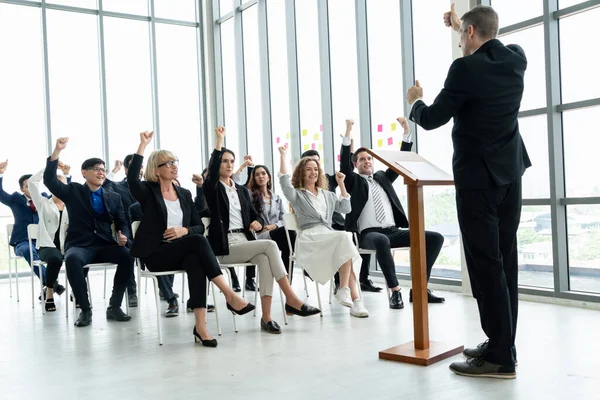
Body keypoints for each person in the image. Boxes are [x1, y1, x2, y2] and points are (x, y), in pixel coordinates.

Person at [407, 4, 530, 378]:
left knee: (484, 263)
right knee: (504, 261)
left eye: (463, 35)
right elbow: (492, 43)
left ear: (472, 33)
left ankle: (499, 359)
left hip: (477, 182)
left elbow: (431, 119)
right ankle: (501, 343)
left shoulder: (464, 68)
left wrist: (414, 100)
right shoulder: (516, 60)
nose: (460, 42)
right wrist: (464, 25)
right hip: (510, 176)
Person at [127, 131, 253, 346]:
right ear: (156, 170)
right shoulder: (148, 191)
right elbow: (131, 179)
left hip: (182, 249)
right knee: (198, 243)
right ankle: (229, 294)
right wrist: (142, 146)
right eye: (167, 163)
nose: (174, 166)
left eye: (175, 161)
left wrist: (183, 231)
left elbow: (196, 226)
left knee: (196, 261)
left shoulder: (184, 193)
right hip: (157, 253)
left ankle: (201, 327)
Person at [204, 126, 320, 334]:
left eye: (231, 161)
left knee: (266, 260)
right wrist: (219, 141)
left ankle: (266, 319)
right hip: (225, 246)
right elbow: (212, 173)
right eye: (224, 161)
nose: (229, 165)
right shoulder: (212, 187)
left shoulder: (241, 190)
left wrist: (256, 222)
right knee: (270, 244)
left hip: (245, 241)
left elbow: (254, 214)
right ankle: (291, 298)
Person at [340, 118, 445, 309]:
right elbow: (344, 168)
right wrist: (347, 134)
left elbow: (400, 162)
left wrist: (406, 133)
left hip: (393, 231)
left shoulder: (382, 177)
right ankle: (395, 291)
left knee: (435, 238)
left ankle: (420, 289)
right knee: (381, 240)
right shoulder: (354, 181)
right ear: (355, 164)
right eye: (362, 159)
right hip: (369, 235)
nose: (367, 161)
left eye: (369, 158)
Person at [44, 138, 134, 327]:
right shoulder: (73, 191)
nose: (101, 172)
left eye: (103, 169)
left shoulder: (114, 197)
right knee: (72, 259)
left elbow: (122, 222)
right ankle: (85, 309)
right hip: (80, 245)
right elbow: (50, 181)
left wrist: (122, 234)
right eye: (96, 169)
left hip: (104, 243)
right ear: (84, 173)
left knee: (127, 255)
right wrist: (57, 152)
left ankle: (115, 306)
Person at [278, 144, 369, 318]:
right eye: (309, 170)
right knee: (344, 239)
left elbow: (346, 207)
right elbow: (283, 180)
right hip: (310, 238)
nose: (313, 173)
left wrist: (341, 184)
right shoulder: (297, 194)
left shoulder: (327, 194)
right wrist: (283, 156)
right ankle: (349, 294)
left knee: (346, 248)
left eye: (316, 169)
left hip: (327, 236)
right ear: (301, 173)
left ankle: (352, 297)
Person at [300, 143, 377, 294]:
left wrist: (351, 148)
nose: (314, 165)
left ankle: (349, 284)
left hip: (337, 222)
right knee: (340, 241)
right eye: (310, 162)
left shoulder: (328, 179)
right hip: (317, 227)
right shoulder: (300, 188)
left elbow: (346, 170)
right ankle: (340, 284)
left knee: (353, 235)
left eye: (317, 162)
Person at [0, 160, 66, 297]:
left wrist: (66, 175)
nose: (31, 189)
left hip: (44, 241)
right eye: (27, 186)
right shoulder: (15, 199)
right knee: (28, 250)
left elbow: (63, 192)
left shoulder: (46, 199)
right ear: (22, 189)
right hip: (22, 241)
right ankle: (51, 284)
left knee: (54, 255)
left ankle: (49, 285)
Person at [28, 167, 70, 311]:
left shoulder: (71, 205)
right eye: (57, 184)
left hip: (67, 246)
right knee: (55, 259)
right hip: (47, 247)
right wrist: (50, 167)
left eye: (63, 184)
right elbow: (32, 183)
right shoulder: (43, 203)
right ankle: (50, 292)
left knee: (81, 257)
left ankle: (79, 291)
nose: (61, 188)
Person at [248, 164, 296, 279]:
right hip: (260, 235)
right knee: (291, 234)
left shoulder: (276, 197)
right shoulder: (250, 196)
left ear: (268, 177)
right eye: (257, 174)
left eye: (263, 173)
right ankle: (286, 278)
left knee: (287, 245)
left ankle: (287, 279)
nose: (261, 176)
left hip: (276, 234)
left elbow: (284, 219)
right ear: (254, 178)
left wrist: (274, 226)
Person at [104, 156, 139, 308]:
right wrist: (114, 171)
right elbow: (104, 188)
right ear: (126, 169)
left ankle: (166, 290)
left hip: (147, 229)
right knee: (127, 253)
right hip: (127, 231)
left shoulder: (148, 186)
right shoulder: (117, 186)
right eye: (133, 166)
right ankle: (131, 292)